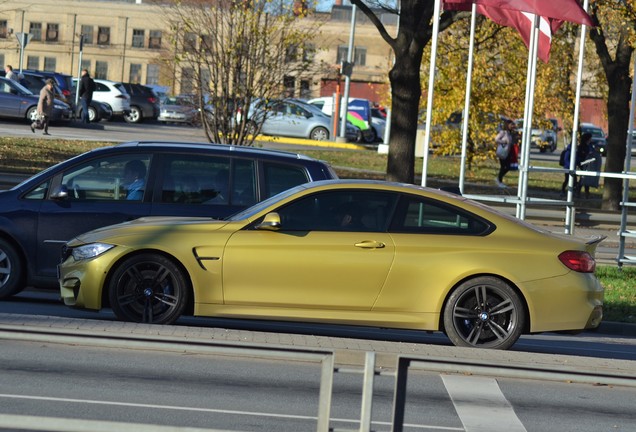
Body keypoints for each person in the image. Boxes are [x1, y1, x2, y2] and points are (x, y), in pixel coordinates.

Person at [560, 132, 591, 197]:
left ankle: (574, 192)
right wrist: (570, 166)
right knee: (567, 180)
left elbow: (576, 159)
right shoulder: (569, 151)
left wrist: (578, 162)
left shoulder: (575, 151)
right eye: (576, 143)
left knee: (575, 180)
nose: (577, 144)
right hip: (568, 168)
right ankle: (563, 190)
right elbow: (566, 160)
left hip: (573, 168)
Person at [495, 119, 519, 188]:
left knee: (507, 167)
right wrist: (503, 142)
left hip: (507, 152)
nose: (512, 126)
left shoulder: (510, 133)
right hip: (502, 152)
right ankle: (499, 181)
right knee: (504, 167)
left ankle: (499, 180)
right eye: (511, 124)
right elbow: (496, 139)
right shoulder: (503, 132)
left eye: (513, 125)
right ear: (507, 125)